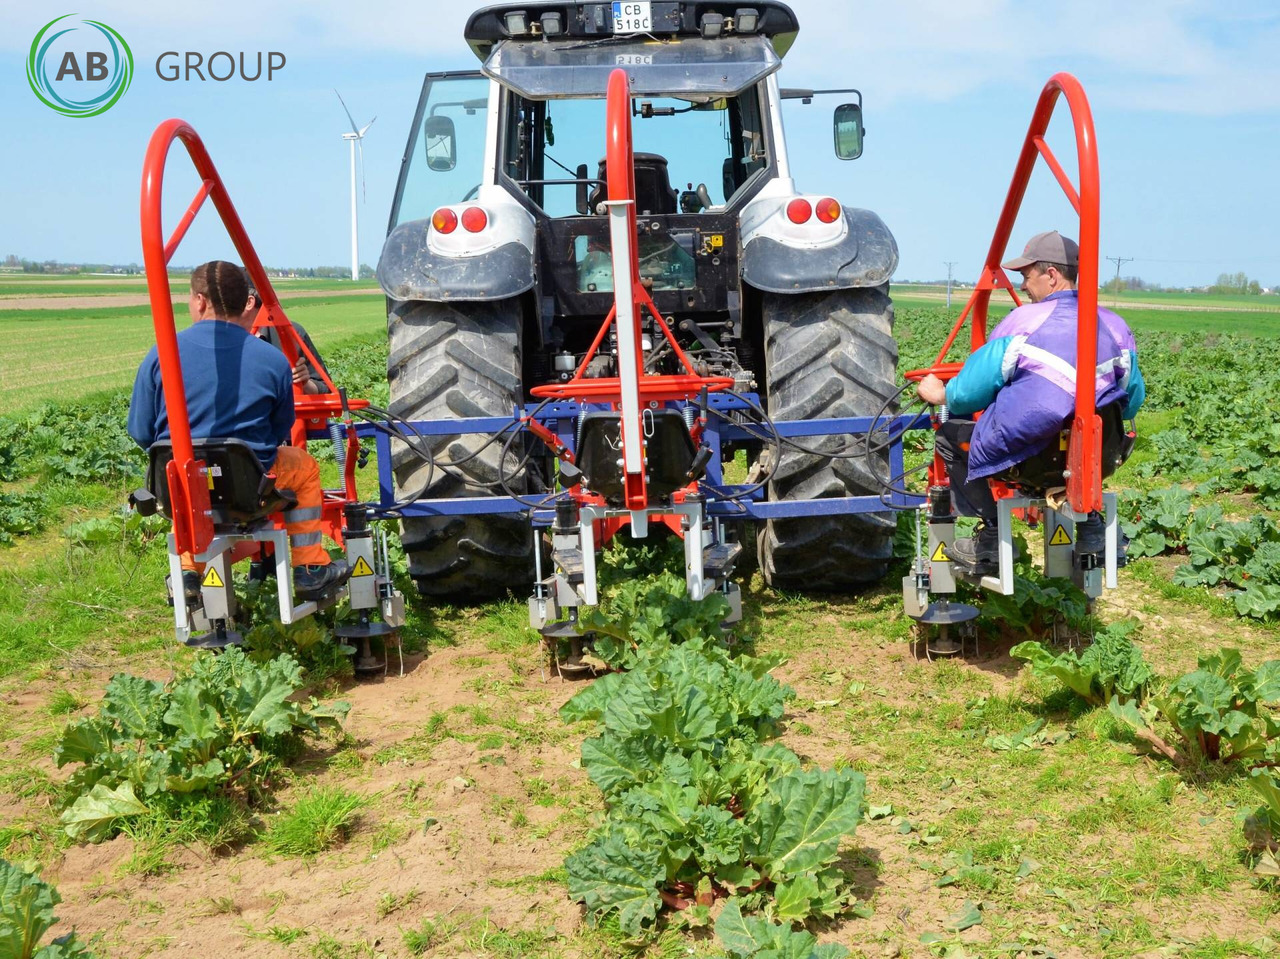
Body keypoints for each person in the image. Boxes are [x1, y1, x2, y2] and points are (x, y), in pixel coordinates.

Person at [915, 231, 1145, 572]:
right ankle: (1092, 527)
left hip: (1026, 459)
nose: (1023, 286)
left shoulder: (1022, 323)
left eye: (1026, 276)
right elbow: (1132, 401)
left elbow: (970, 392)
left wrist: (941, 394)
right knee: (1077, 436)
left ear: (1051, 275)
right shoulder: (1114, 326)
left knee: (950, 437)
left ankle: (990, 537)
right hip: (1093, 454)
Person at [127, 260, 350, 600]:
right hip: (250, 489)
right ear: (244, 301)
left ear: (200, 301)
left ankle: (187, 573)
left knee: (184, 473)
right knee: (303, 466)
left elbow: (142, 431)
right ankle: (309, 568)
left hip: (183, 484)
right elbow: (276, 433)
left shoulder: (161, 354)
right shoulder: (272, 360)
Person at [240, 269, 331, 394]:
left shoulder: (292, 333)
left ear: (249, 302)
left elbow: (325, 389)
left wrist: (304, 382)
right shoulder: (220, 336)